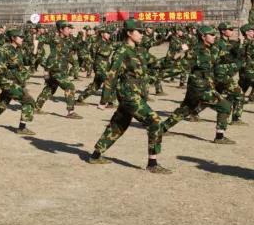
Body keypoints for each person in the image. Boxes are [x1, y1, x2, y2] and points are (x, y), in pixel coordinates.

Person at [88, 20, 172, 173]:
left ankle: (95, 155)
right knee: (155, 122)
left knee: (118, 125)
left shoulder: (140, 51)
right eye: (138, 31)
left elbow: (157, 63)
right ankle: (152, 164)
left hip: (137, 93)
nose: (142, 34)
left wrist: (179, 54)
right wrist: (104, 100)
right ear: (129, 33)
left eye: (142, 31)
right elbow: (112, 75)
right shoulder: (122, 52)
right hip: (128, 94)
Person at [156, 25, 235, 146]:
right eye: (212, 35)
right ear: (203, 37)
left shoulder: (211, 48)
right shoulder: (197, 52)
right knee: (225, 106)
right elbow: (180, 67)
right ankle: (219, 136)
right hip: (200, 87)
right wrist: (157, 76)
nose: (215, 36)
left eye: (215, 34)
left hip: (200, 86)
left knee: (185, 110)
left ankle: (161, 128)